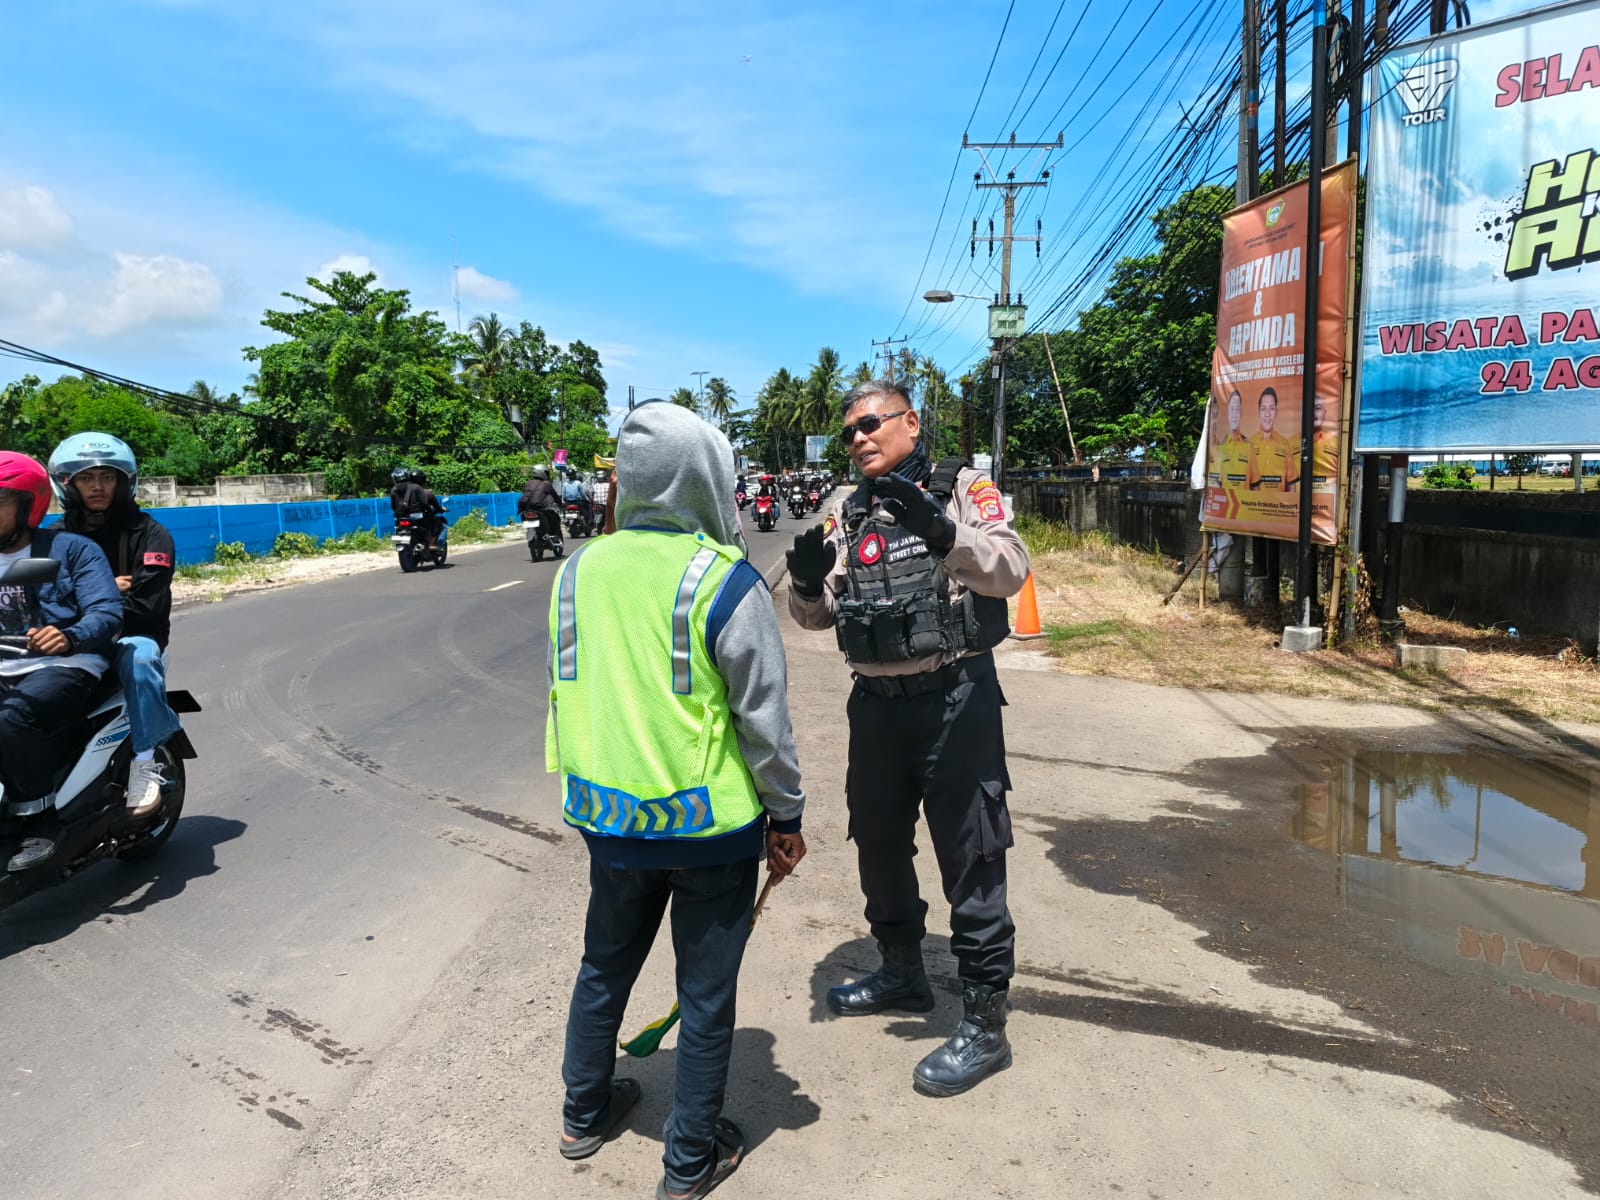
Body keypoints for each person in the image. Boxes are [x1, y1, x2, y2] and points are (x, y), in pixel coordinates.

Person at [548, 401, 806, 1199]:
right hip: (708, 834)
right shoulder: (725, 580)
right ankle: (688, 1162)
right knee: (704, 997)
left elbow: (572, 687)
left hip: (609, 819)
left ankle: (583, 1114)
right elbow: (764, 723)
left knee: (603, 967)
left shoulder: (577, 571)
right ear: (709, 479)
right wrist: (787, 816)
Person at [785, 379, 1029, 1098]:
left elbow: (1012, 569)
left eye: (870, 424)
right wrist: (806, 586)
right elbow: (817, 617)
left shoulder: (964, 488)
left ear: (911, 422)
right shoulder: (847, 508)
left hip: (955, 699)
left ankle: (985, 1024)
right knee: (878, 843)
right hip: (876, 708)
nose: (859, 439)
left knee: (972, 853)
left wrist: (945, 533)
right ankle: (900, 970)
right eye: (849, 432)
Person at [0, 452, 123, 872]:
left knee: (10, 718)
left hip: (68, 665)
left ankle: (40, 820)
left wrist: (69, 636)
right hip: (5, 667)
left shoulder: (71, 550)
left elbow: (106, 610)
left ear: (26, 504)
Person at [47, 433, 178, 815]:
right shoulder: (51, 539)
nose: (98, 486)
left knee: (141, 661)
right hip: (69, 638)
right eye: (87, 478)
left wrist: (81, 597)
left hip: (130, 636)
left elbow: (146, 605)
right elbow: (38, 601)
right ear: (67, 484)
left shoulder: (150, 535)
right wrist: (108, 589)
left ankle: (144, 761)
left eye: (107, 477)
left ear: (124, 481)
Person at [1248, 386, 1298, 492]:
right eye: (1263, 409)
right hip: (1254, 502)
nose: (1267, 414)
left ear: (1276, 412)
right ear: (1259, 412)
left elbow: (1292, 486)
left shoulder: (1285, 443)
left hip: (1278, 503)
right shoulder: (1249, 444)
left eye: (1271, 408)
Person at [1212, 389, 1252, 502]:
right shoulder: (1220, 446)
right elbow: (1217, 484)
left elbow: (1255, 487)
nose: (1234, 414)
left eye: (1237, 409)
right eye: (1232, 410)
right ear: (1227, 414)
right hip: (1226, 506)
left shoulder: (1249, 447)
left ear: (1241, 413)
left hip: (1245, 506)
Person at [519, 466, 561, 542]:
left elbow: (524, 495)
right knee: (555, 518)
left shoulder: (528, 483)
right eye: (546, 473)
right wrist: (560, 504)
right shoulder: (546, 484)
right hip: (542, 509)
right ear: (542, 473)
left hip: (527, 510)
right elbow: (555, 496)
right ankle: (555, 537)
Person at [407, 469, 447, 550]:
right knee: (440, 524)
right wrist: (438, 509)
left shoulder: (404, 491)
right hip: (421, 517)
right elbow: (433, 505)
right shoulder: (425, 492)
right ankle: (432, 543)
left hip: (405, 517)